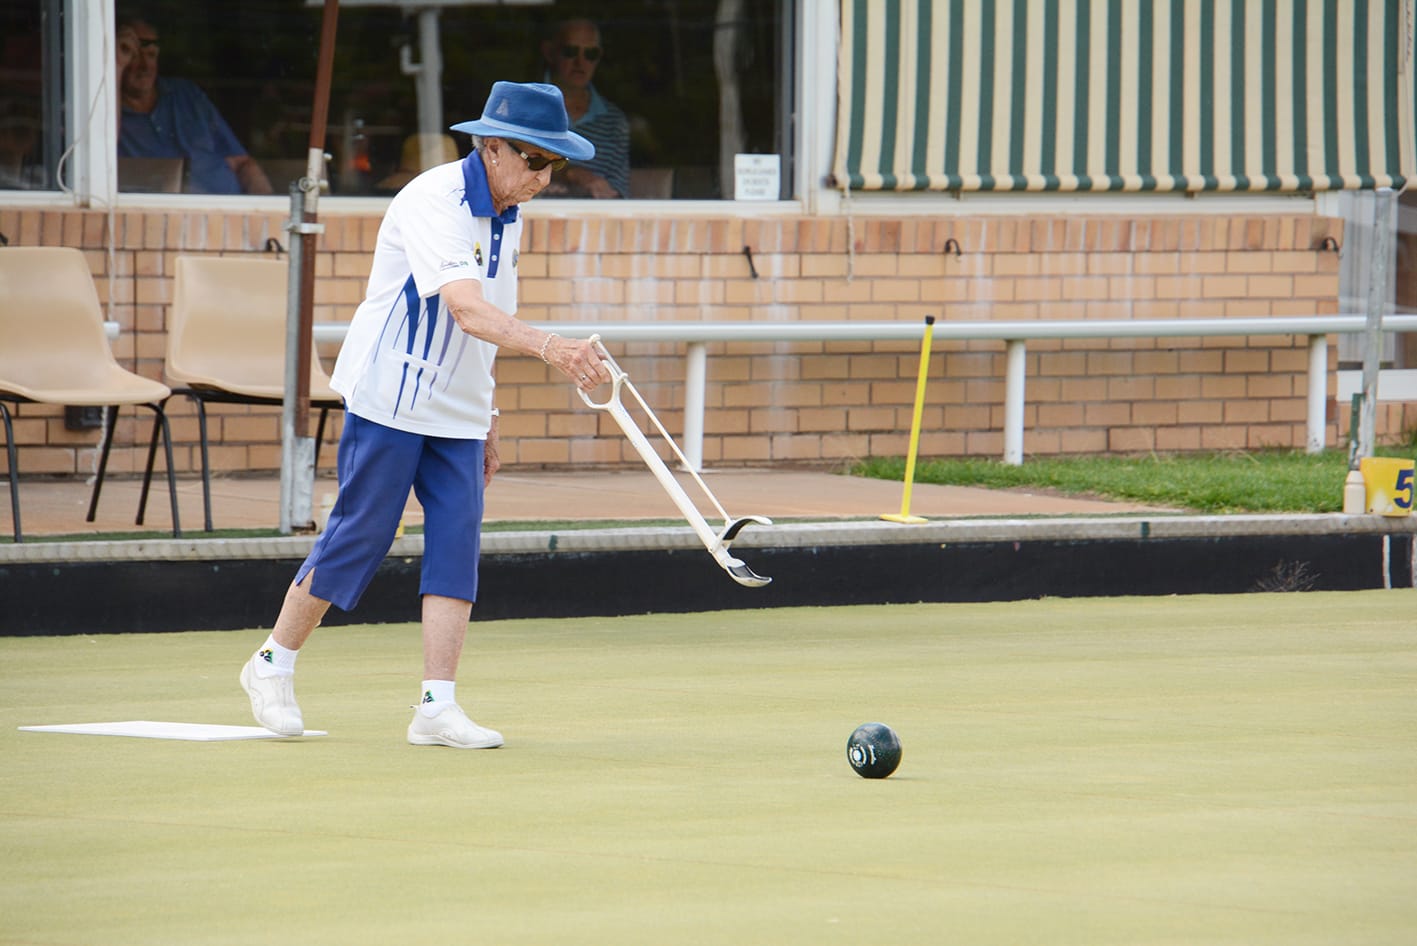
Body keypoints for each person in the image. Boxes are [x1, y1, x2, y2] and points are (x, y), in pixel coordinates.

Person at [239, 81, 609, 749]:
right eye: (534, 160)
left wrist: (488, 416)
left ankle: (436, 706)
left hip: (459, 408)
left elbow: (483, 323)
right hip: (391, 394)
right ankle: (271, 664)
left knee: (455, 546)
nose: (544, 178)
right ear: (491, 148)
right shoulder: (433, 200)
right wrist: (554, 347)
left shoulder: (507, 214)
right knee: (361, 536)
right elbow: (465, 308)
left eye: (554, 165)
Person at [116, 14, 272, 195]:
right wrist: (117, 66)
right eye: (133, 56)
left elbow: (243, 164)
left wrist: (268, 209)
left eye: (151, 55)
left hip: (232, 212)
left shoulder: (186, 94)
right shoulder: (107, 112)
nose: (144, 66)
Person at [539, 17, 631, 199]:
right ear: (549, 52)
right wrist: (572, 173)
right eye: (571, 51)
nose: (580, 62)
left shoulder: (614, 121)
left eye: (590, 54)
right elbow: (510, 167)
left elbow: (619, 194)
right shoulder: (522, 106)